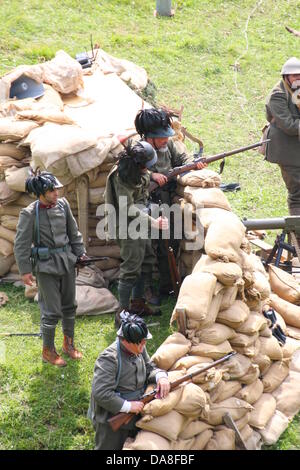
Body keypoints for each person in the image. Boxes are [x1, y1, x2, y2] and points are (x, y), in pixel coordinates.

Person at [14, 169, 87, 367]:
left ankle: (68, 344)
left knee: (70, 305)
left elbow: (74, 232)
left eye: (56, 189)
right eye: (52, 190)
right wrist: (25, 270)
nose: (56, 193)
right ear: (41, 193)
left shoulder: (63, 205)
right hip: (45, 267)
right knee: (51, 310)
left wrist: (80, 253)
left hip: (67, 261)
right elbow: (21, 244)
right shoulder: (29, 213)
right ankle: (48, 350)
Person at [134, 108, 206, 301]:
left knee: (171, 243)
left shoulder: (169, 146)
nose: (165, 139)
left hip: (167, 201)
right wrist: (150, 175)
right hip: (143, 204)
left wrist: (194, 165)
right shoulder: (138, 149)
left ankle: (169, 285)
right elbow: (126, 172)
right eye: (160, 136)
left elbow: (184, 160)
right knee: (146, 248)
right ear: (149, 137)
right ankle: (146, 289)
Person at [105, 140, 169, 327]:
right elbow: (127, 208)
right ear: (137, 164)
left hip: (141, 222)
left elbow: (146, 175)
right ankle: (122, 315)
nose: (146, 169)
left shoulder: (138, 170)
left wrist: (154, 175)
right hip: (126, 226)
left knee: (146, 260)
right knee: (131, 267)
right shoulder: (121, 176)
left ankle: (138, 304)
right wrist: (154, 222)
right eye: (145, 167)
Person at [88, 312, 170, 450]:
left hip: (135, 413)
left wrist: (161, 377)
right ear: (124, 340)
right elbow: (101, 393)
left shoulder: (138, 347)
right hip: (112, 417)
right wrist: (128, 406)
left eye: (144, 341)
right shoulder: (109, 358)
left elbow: (149, 367)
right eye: (140, 342)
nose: (144, 345)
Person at [265, 57, 300, 217]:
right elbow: (289, 125)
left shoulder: (297, 91)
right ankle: (297, 234)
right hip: (287, 151)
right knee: (297, 193)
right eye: (295, 76)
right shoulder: (278, 95)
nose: (298, 79)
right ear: (286, 77)